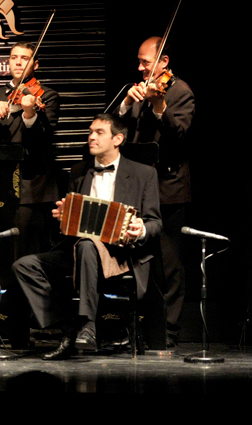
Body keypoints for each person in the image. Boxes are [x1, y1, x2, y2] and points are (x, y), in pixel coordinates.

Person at [12, 114, 162, 360]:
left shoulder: (143, 174)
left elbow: (155, 222)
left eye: (99, 132)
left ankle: (88, 324)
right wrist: (63, 215)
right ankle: (68, 328)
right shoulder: (79, 172)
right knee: (24, 266)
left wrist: (140, 228)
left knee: (86, 245)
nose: (91, 137)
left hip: (119, 253)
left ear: (118, 139)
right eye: (90, 132)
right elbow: (73, 218)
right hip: (79, 250)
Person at [118, 36, 194, 348]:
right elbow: (121, 134)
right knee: (135, 258)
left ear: (163, 62)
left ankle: (169, 331)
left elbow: (179, 137)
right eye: (138, 61)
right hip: (136, 189)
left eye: (145, 62)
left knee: (169, 263)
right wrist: (126, 103)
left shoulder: (180, 91)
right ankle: (136, 328)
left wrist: (159, 105)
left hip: (168, 188)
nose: (140, 67)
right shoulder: (138, 92)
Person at [0, 42, 60, 258]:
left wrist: (29, 114)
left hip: (32, 187)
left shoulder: (47, 95)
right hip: (0, 185)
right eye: (14, 57)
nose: (18, 62)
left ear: (35, 64)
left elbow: (43, 139)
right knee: (0, 251)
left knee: (28, 252)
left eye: (25, 58)